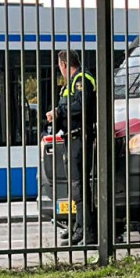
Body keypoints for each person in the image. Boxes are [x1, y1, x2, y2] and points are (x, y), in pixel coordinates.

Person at [47, 50, 98, 243]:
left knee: (79, 186)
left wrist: (59, 111)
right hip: (70, 138)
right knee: (74, 186)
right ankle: (78, 226)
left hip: (80, 138)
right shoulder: (70, 84)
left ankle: (86, 231)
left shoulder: (82, 79)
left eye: (59, 66)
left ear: (64, 64)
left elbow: (81, 105)